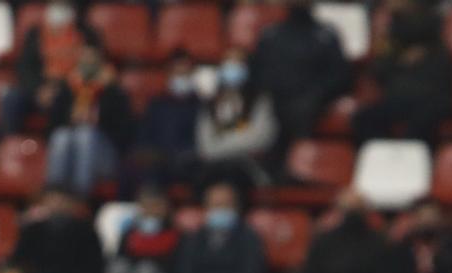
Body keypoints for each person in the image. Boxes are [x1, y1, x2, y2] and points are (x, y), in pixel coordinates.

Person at [251, 1, 352, 149]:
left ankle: (296, 160)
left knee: (300, 110)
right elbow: (257, 74)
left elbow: (341, 77)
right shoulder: (270, 35)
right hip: (275, 104)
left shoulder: (326, 35)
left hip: (313, 104)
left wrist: (317, 95)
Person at [352, 11, 452, 147]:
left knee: (422, 123)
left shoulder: (438, 52)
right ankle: (383, 155)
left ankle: (413, 160)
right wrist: (398, 60)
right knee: (363, 118)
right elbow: (378, 72)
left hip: (432, 102)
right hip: (402, 99)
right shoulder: (393, 47)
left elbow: (443, 91)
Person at [41, 44, 133, 199]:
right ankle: (54, 192)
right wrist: (71, 119)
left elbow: (124, 134)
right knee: (61, 135)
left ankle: (80, 195)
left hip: (104, 157)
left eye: (92, 57)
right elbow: (51, 126)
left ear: (101, 60)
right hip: (71, 151)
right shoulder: (68, 88)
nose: (88, 61)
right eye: (85, 57)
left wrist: (98, 120)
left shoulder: (114, 92)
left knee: (86, 134)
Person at [0, 3, 100, 137]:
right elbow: (24, 68)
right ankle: (9, 145)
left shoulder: (87, 34)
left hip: (69, 91)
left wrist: (58, 89)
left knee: (62, 100)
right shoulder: (35, 33)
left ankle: (54, 145)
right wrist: (38, 89)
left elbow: (90, 70)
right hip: (38, 89)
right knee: (11, 98)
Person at [195, 48, 280, 194]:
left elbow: (260, 139)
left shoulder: (261, 101)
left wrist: (221, 147)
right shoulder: (211, 103)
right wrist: (225, 151)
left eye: (237, 62)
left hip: (248, 166)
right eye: (228, 62)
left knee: (230, 174)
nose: (232, 67)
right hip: (215, 166)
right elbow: (205, 145)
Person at [129, 50, 202, 190]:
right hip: (158, 162)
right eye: (177, 73)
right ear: (169, 74)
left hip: (188, 163)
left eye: (185, 73)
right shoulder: (157, 104)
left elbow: (202, 141)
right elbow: (143, 136)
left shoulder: (200, 105)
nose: (181, 77)